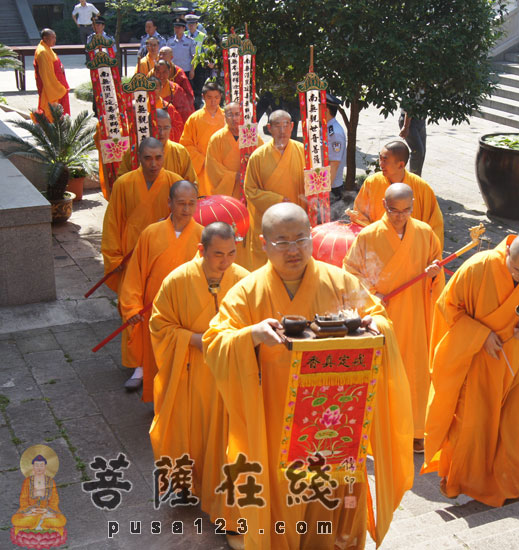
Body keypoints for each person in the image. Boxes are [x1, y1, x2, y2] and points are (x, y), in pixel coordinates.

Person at [202, 203, 414, 550]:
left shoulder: (340, 282)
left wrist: (378, 325)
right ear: (263, 243)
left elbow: (375, 313)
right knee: (280, 488)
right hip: (275, 417)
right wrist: (251, 335)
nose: (293, 249)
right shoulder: (247, 292)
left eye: (301, 238)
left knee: (329, 489)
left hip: (334, 415)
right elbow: (215, 342)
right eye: (282, 241)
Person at [422, 233, 519, 507]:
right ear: (508, 252)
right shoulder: (479, 266)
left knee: (512, 430)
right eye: (516, 270)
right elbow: (448, 307)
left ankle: (510, 486)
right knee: (471, 428)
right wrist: (480, 335)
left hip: (514, 364)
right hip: (477, 363)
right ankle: (458, 482)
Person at [149, 222, 248, 503]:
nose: (226, 262)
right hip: (190, 371)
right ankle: (187, 487)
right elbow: (159, 326)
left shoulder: (244, 279)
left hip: (229, 372)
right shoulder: (177, 280)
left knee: (228, 438)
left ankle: (222, 491)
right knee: (190, 433)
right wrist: (193, 340)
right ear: (201, 249)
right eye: (218, 255)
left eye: (231, 253)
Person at [344, 183, 444, 454]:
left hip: (415, 313)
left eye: (406, 210)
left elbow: (436, 267)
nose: (400, 216)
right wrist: (371, 297)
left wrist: (434, 273)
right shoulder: (368, 236)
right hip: (382, 316)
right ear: (384, 207)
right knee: (383, 373)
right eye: (393, 210)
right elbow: (351, 272)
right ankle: (380, 429)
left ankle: (416, 430)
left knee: (416, 372)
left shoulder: (424, 233)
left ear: (413, 206)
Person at [100, 138, 183, 377]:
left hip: (164, 255)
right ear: (138, 157)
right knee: (134, 307)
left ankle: (165, 357)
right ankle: (138, 363)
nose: (153, 163)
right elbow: (113, 222)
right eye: (148, 158)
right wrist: (114, 258)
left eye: (158, 157)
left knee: (162, 307)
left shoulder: (174, 182)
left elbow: (185, 216)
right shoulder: (124, 184)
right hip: (131, 256)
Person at [119, 180, 203, 400]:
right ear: (170, 203)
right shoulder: (151, 233)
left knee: (185, 362)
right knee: (156, 358)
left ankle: (182, 405)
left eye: (191, 203)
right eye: (181, 203)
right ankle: (159, 402)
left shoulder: (203, 237)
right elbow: (135, 275)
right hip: (153, 308)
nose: (186, 209)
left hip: (187, 311)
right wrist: (132, 307)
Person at [348, 140, 444, 247]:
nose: (381, 164)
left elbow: (435, 226)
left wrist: (428, 252)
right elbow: (360, 214)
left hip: (411, 250)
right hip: (378, 245)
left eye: (385, 160)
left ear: (401, 165)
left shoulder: (421, 187)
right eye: (380, 159)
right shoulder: (372, 182)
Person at [242, 110, 306, 270]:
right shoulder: (258, 156)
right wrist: (276, 200)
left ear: (292, 127)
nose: (282, 131)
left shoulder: (303, 151)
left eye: (286, 125)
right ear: (269, 128)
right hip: (268, 221)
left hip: (296, 220)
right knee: (266, 267)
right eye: (278, 126)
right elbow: (250, 190)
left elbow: (314, 184)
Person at [118, 109, 197, 184]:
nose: (161, 133)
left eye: (166, 128)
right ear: (148, 128)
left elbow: (192, 183)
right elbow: (121, 182)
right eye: (157, 128)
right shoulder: (134, 152)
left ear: (170, 128)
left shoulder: (180, 152)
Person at [203, 102, 263, 198]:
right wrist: (234, 176)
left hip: (248, 188)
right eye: (230, 115)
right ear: (225, 116)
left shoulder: (251, 136)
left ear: (242, 115)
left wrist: (249, 175)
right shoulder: (216, 139)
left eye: (237, 114)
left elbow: (261, 159)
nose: (234, 119)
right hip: (227, 193)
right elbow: (212, 168)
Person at [179, 81, 225, 186]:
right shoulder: (194, 119)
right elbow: (186, 144)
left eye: (216, 97)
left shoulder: (226, 117)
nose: (213, 101)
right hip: (202, 167)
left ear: (221, 97)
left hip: (222, 166)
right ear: (203, 97)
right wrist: (202, 161)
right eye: (209, 97)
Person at [11, 455, 66, 536]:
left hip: (46, 512)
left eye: (41, 465)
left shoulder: (50, 481)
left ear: (45, 467)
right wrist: (31, 511)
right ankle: (40, 523)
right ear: (33, 467)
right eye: (37, 465)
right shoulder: (27, 481)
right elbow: (23, 499)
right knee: (15, 520)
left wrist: (46, 511)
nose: (39, 468)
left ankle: (38, 524)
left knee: (62, 521)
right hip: (30, 512)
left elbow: (54, 500)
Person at [33, 29, 70, 122]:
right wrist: (58, 88)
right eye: (53, 37)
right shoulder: (42, 52)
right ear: (45, 38)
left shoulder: (47, 48)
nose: (55, 40)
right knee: (51, 112)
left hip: (58, 84)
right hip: (52, 88)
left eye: (55, 37)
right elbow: (46, 75)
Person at [155, 59, 195, 132]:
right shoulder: (148, 90)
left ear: (169, 72)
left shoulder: (176, 90)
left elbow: (184, 113)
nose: (161, 76)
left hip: (169, 130)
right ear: (154, 72)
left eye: (164, 72)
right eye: (158, 72)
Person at [185, 13, 208, 109]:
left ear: (197, 24)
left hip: (199, 65)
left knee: (198, 88)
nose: (191, 26)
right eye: (189, 24)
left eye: (193, 24)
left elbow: (206, 51)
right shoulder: (184, 35)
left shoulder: (203, 36)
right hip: (187, 64)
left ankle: (197, 106)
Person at [326, 94, 346, 201]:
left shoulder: (335, 133)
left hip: (331, 187)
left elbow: (334, 164)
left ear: (325, 109)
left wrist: (325, 190)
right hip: (323, 183)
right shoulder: (325, 127)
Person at [398, 109, 427, 176]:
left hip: (421, 119)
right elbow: (410, 106)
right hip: (409, 121)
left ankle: (417, 178)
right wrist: (406, 126)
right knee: (418, 151)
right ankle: (413, 179)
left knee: (421, 153)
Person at [167, 18, 196, 83]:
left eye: (179, 27)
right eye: (175, 27)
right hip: (174, 71)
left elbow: (194, 57)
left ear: (183, 28)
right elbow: (167, 56)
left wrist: (192, 70)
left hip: (186, 71)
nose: (176, 29)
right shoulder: (170, 41)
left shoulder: (190, 41)